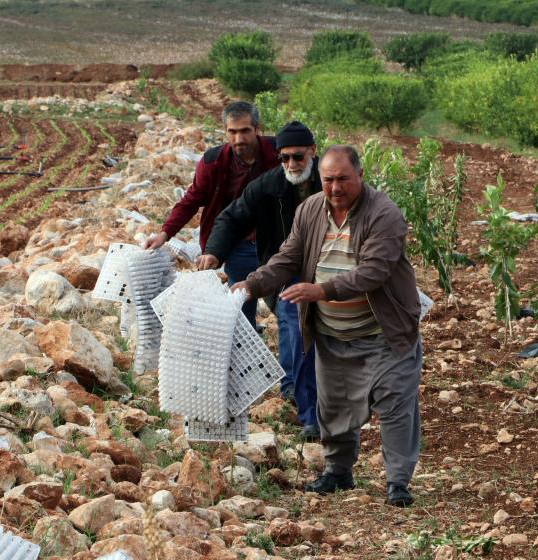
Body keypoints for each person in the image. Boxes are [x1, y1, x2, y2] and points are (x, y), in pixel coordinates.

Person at [231, 145, 423, 507]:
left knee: (396, 405)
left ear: (360, 176)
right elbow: (288, 257)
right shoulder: (310, 210)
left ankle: (398, 482)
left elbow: (374, 271)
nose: (335, 188)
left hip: (383, 334)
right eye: (328, 180)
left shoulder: (384, 214)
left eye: (343, 179)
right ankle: (338, 472)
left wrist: (322, 290)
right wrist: (253, 284)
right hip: (333, 335)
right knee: (332, 406)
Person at [198, 121, 321, 440]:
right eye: (284, 158)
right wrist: (214, 251)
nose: (291, 165)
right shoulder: (267, 186)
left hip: (330, 268)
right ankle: (308, 412)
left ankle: (308, 389)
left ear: (313, 152)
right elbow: (232, 217)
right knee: (295, 325)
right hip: (285, 268)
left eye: (298, 157)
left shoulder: (331, 180)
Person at [142, 101, 279, 325]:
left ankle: (288, 358)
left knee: (285, 308)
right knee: (241, 308)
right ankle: (247, 349)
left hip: (275, 241)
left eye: (245, 131)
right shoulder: (213, 161)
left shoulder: (278, 154)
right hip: (237, 243)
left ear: (257, 128)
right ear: (225, 131)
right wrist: (165, 233)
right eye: (232, 132)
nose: (238, 139)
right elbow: (191, 200)